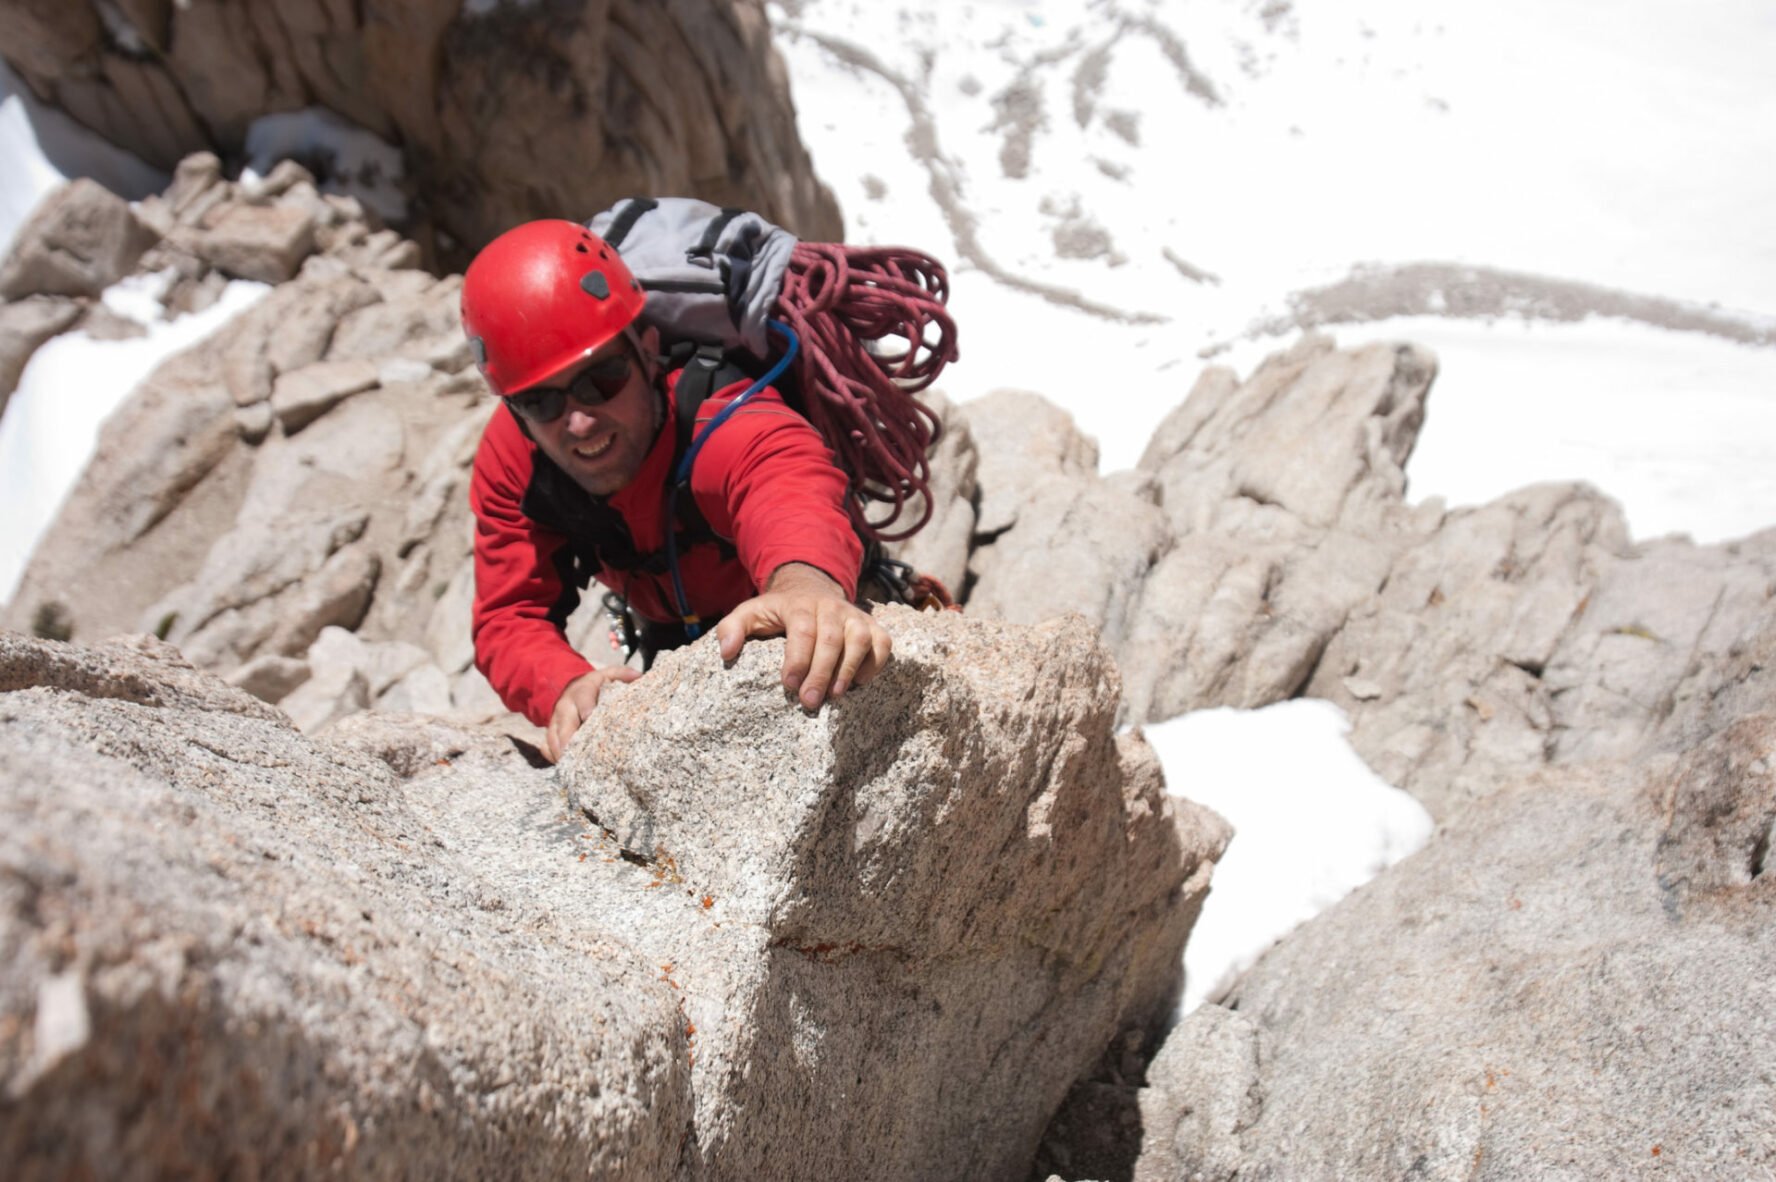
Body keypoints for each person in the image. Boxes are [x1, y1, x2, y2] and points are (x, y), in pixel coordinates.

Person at [462, 219, 892, 762]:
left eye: (602, 379)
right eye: (541, 402)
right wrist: (565, 687)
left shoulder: (713, 412)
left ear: (647, 350)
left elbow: (781, 473)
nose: (578, 422)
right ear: (515, 410)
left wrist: (805, 588)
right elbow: (508, 617)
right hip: (669, 634)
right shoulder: (515, 461)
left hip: (801, 597)